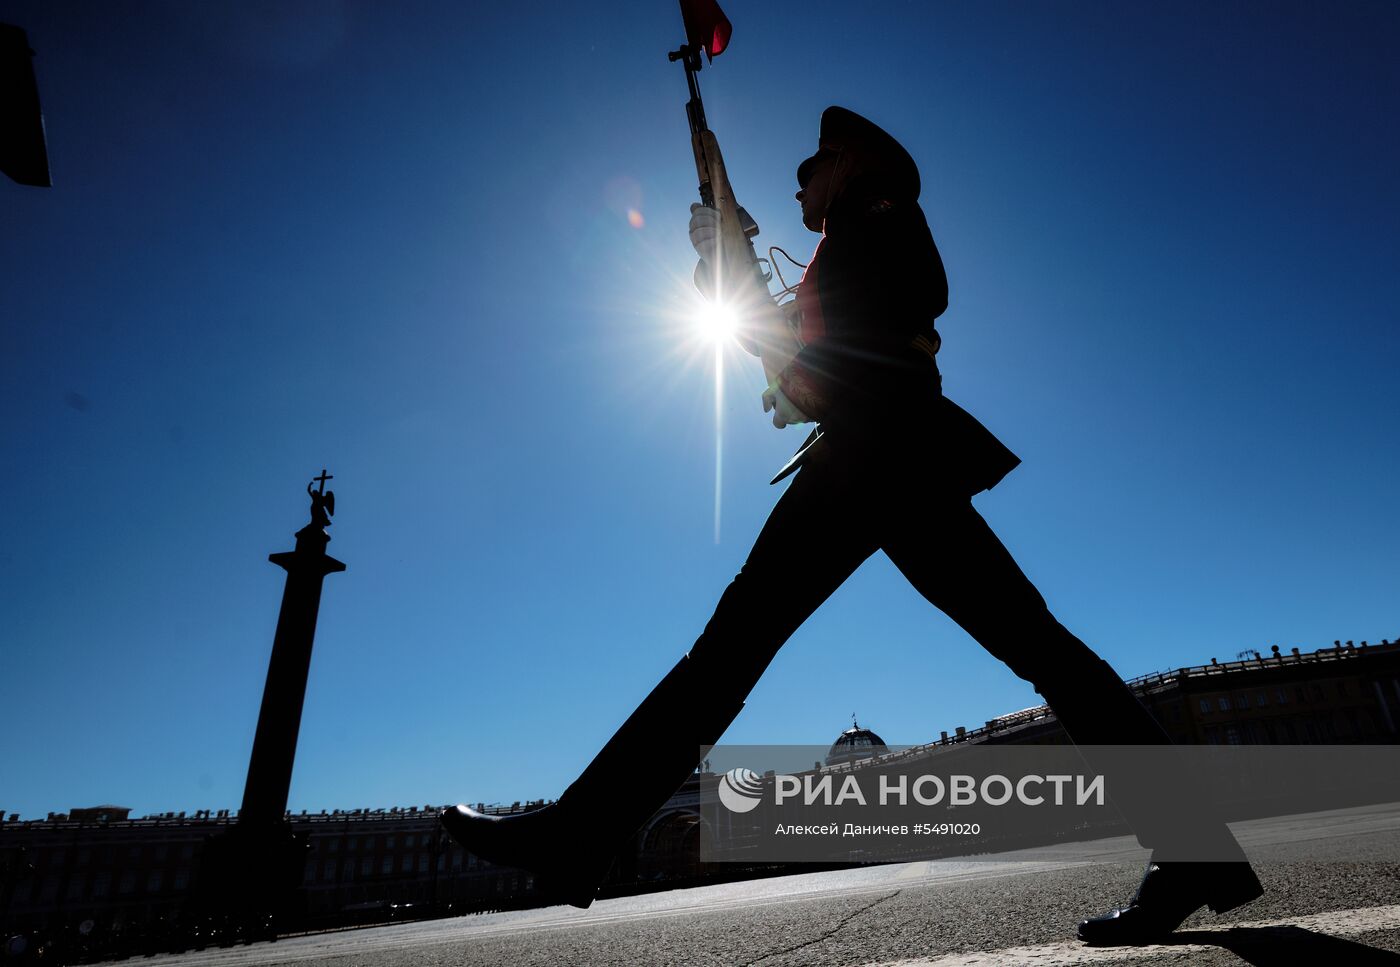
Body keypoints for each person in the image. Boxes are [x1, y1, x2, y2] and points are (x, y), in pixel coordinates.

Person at [442, 106, 1264, 945]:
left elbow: (848, 345)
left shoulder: (877, 212)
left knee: (731, 648)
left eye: (811, 163)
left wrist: (736, 269)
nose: (798, 178)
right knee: (1038, 647)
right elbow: (800, 382)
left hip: (877, 452)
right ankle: (1197, 849)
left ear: (850, 163)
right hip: (884, 453)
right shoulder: (849, 239)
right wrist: (723, 265)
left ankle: (577, 830)